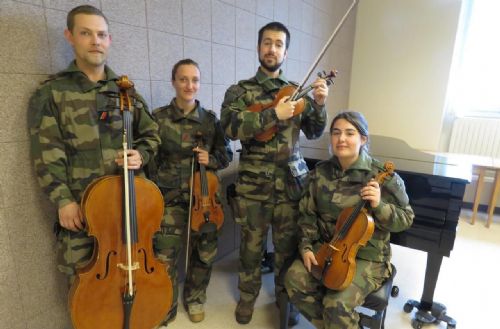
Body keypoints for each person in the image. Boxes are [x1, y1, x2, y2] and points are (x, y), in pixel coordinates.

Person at [28, 5, 160, 285]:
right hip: (82, 209)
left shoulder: (126, 90)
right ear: (70, 36)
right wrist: (63, 200)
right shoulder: (51, 92)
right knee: (88, 283)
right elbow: (47, 154)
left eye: (101, 34)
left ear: (109, 40)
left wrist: (142, 154)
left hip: (128, 205)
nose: (95, 41)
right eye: (86, 33)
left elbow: (151, 134)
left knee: (132, 275)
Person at [220, 21, 330, 325]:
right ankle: (246, 299)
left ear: (286, 51)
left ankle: (285, 299)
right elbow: (229, 129)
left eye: (278, 44)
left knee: (286, 249)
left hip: (290, 188)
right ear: (258, 47)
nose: (272, 49)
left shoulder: (298, 92)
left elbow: (315, 131)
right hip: (253, 188)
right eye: (267, 43)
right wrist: (273, 114)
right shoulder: (239, 91)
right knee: (250, 249)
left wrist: (319, 104)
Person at [284, 111, 415, 329]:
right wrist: (306, 247)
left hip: (367, 257)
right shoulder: (320, 173)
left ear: (363, 139)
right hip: (327, 249)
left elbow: (406, 219)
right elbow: (307, 215)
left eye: (349, 133)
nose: (341, 139)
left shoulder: (384, 176)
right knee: (293, 279)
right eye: (336, 133)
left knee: (336, 303)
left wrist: (379, 206)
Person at [151, 59, 232, 324]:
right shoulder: (158, 118)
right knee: (164, 255)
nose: (189, 85)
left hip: (205, 200)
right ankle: (166, 302)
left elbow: (226, 153)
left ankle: (195, 298)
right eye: (183, 79)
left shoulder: (209, 121)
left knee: (204, 253)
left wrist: (213, 159)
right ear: (173, 81)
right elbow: (149, 158)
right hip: (169, 199)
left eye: (195, 80)